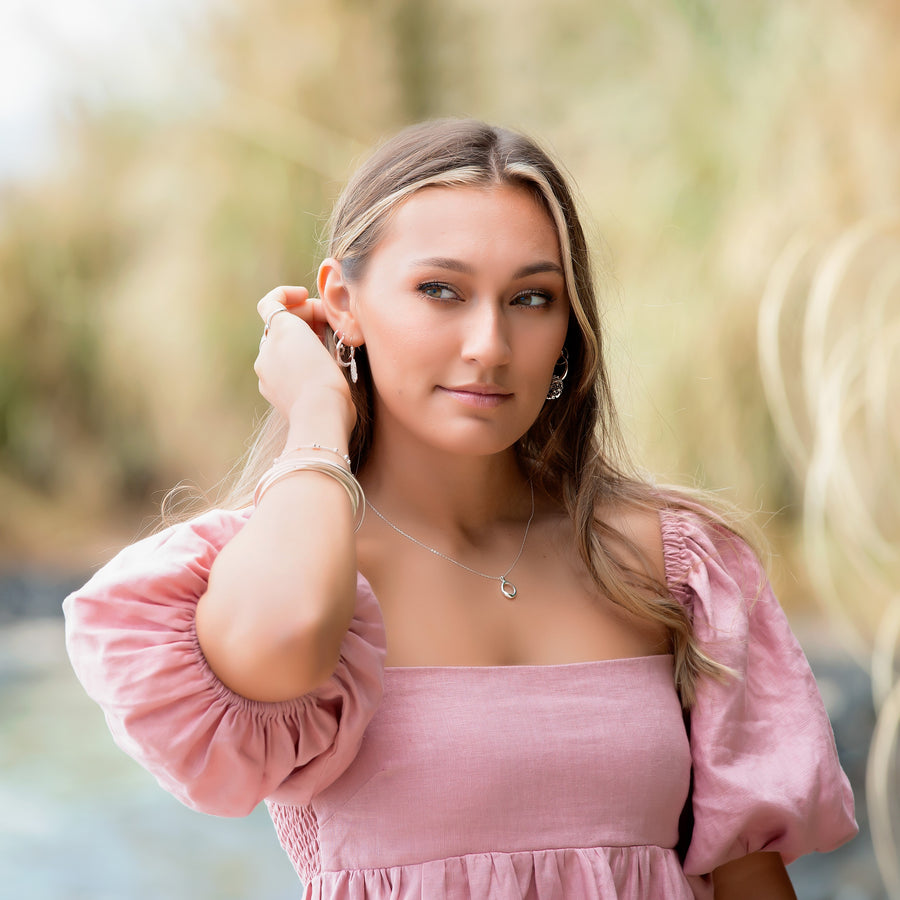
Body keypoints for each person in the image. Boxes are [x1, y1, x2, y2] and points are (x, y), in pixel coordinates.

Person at [64, 119, 857, 899]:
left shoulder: (675, 565)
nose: (490, 343)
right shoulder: (282, 567)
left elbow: (749, 874)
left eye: (532, 297)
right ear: (342, 303)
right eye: (440, 289)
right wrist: (315, 415)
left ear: (567, 326)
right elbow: (288, 637)